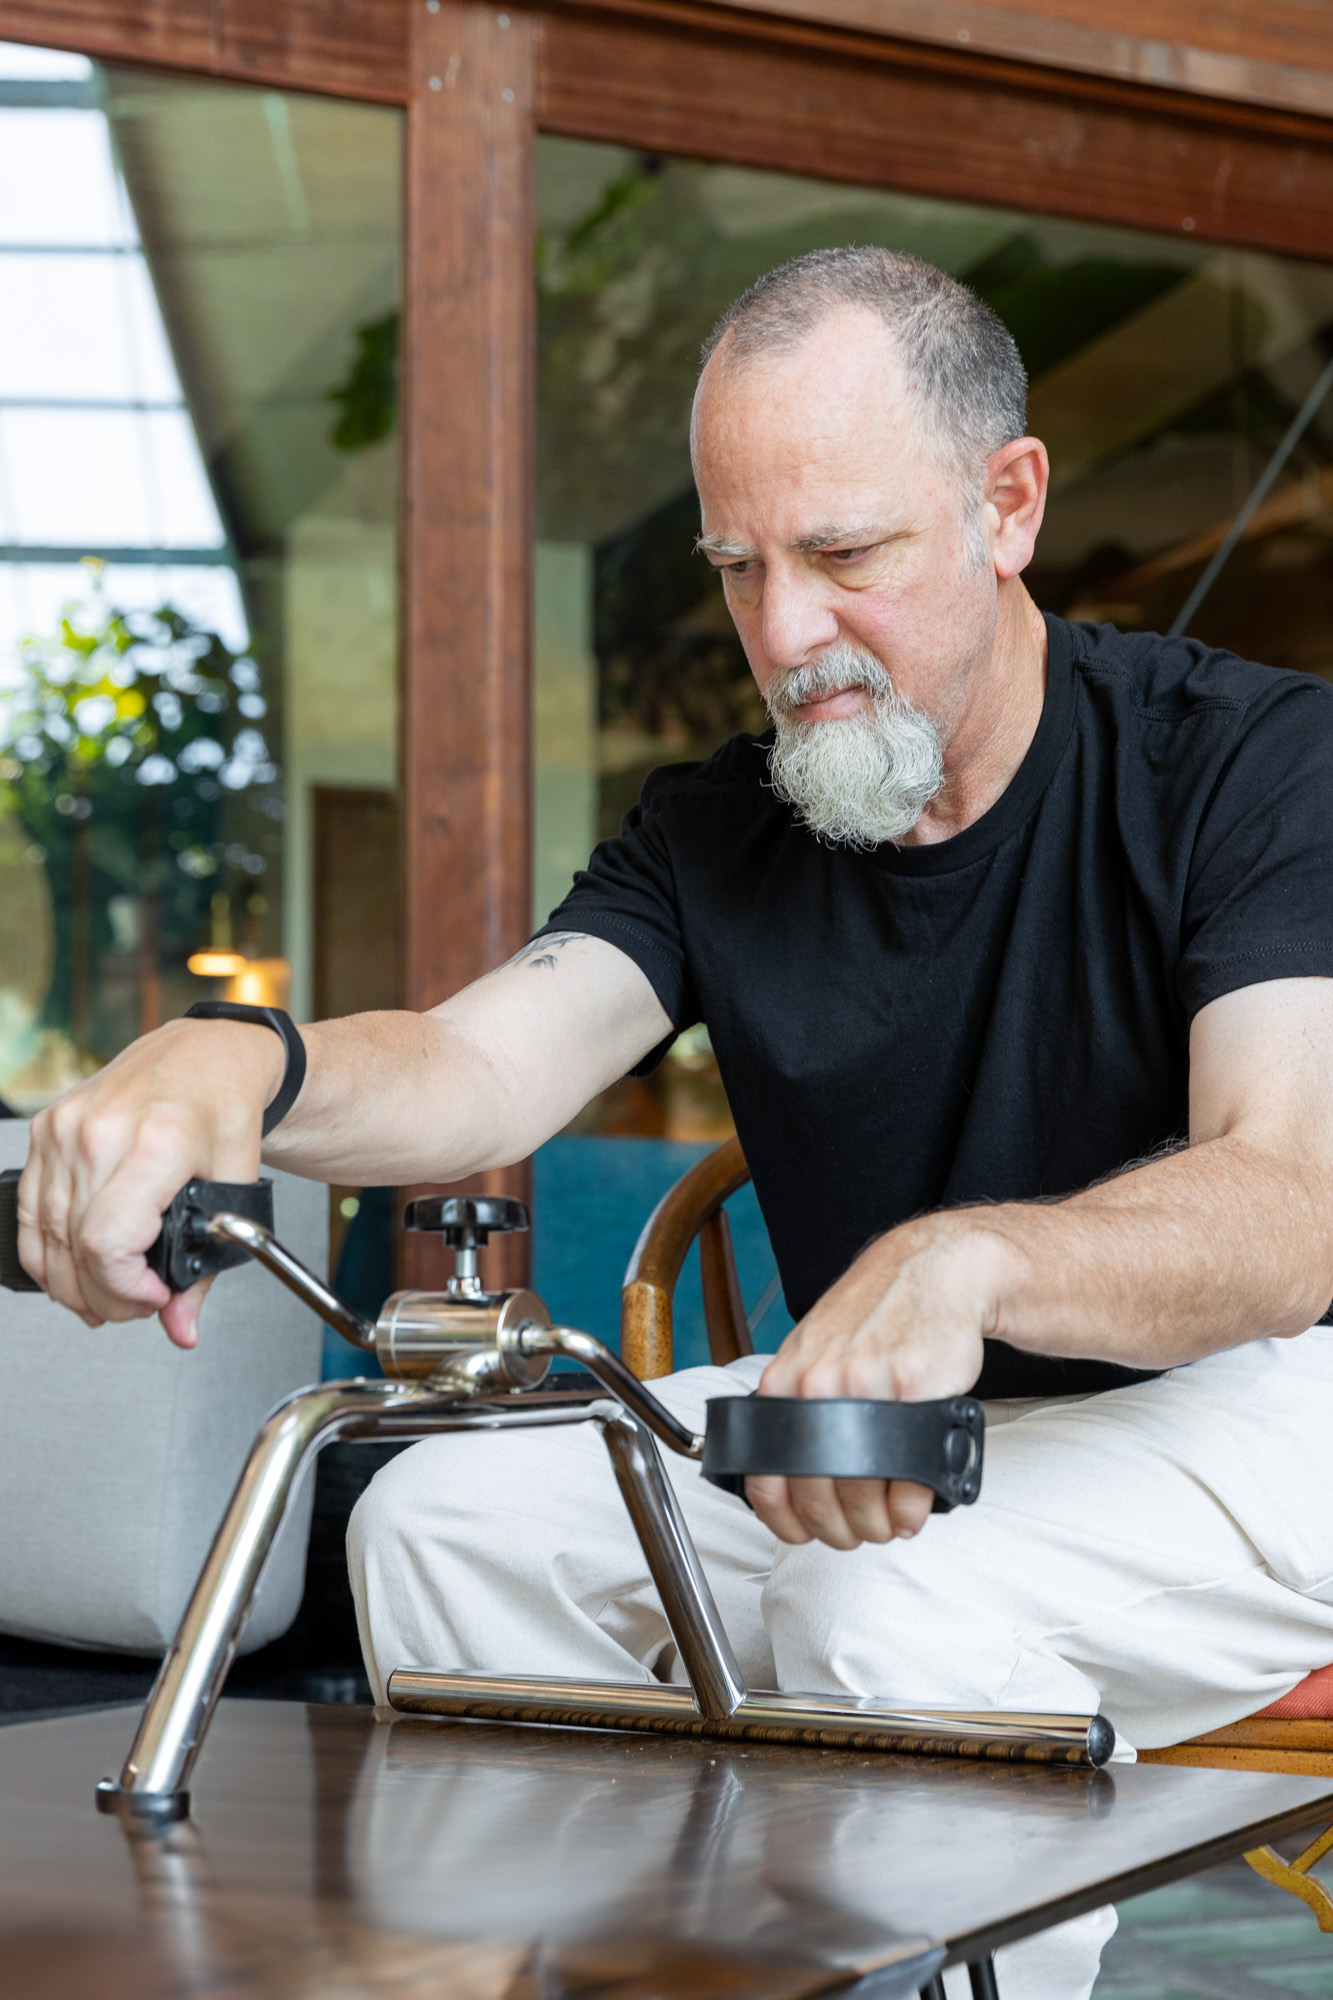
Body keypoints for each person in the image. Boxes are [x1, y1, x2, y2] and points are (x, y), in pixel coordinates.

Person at [19, 248, 1333, 1998]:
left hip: (1258, 1407)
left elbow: (1290, 1194)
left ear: (1005, 504)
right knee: (437, 1525)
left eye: (846, 556)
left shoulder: (1249, 762)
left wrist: (972, 1261)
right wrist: (239, 1059)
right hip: (892, 1429)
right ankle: (578, 1970)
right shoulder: (722, 830)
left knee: (880, 1610)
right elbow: (478, 1067)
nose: (785, 635)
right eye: (740, 567)